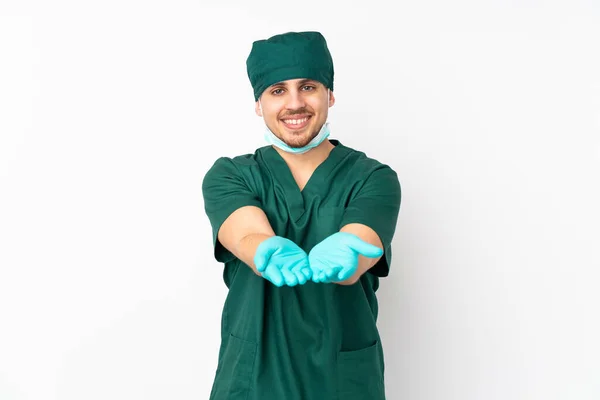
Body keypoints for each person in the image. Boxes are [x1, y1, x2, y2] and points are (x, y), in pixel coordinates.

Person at [201, 31, 401, 400]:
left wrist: (350, 251)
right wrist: (262, 248)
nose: (295, 103)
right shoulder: (230, 175)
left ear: (330, 94)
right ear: (259, 103)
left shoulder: (373, 178)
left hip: (340, 378)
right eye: (278, 90)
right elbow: (244, 233)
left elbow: (364, 238)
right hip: (254, 377)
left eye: (308, 87)